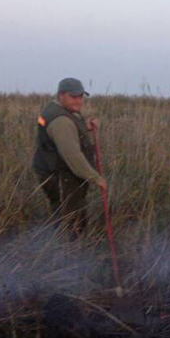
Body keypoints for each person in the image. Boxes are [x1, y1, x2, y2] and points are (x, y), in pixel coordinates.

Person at [32, 77, 106, 235]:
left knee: (64, 213)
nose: (78, 101)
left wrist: (84, 127)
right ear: (61, 95)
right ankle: (70, 254)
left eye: (81, 96)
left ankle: (69, 247)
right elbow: (73, 156)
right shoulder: (61, 120)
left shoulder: (58, 111)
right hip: (61, 176)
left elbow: (67, 134)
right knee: (71, 219)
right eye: (73, 97)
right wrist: (95, 178)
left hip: (56, 173)